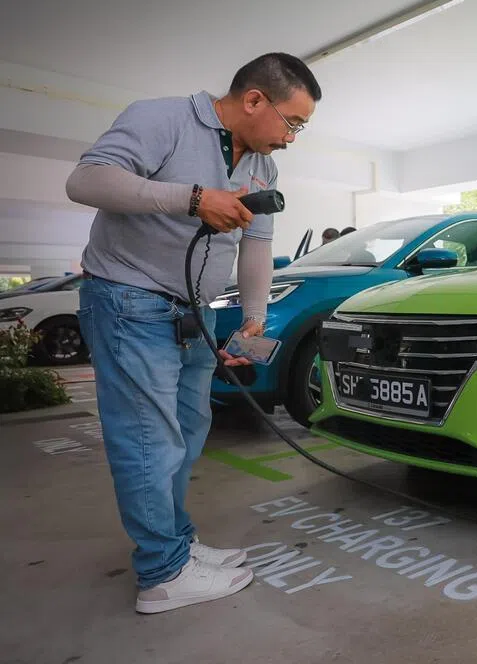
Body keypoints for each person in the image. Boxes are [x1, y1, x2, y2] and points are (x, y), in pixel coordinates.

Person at [65, 52, 320, 614]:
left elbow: (257, 244)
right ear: (254, 100)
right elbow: (85, 181)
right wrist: (193, 198)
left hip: (193, 311)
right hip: (129, 302)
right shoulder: (164, 119)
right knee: (148, 443)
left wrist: (254, 315)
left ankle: (175, 546)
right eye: (292, 123)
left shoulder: (263, 168)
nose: (292, 139)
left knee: (185, 433)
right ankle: (161, 575)